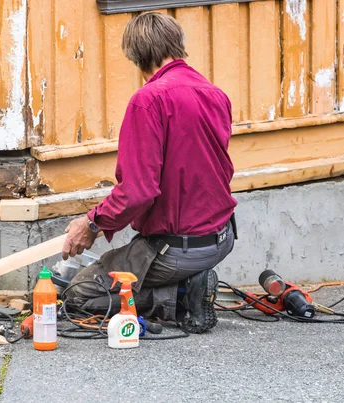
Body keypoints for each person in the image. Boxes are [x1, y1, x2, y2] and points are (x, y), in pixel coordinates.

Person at [61, 12, 238, 334]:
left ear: (135, 55)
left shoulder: (148, 100)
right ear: (178, 44)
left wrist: (91, 224)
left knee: (77, 294)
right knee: (116, 263)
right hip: (221, 239)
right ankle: (190, 282)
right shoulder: (215, 94)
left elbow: (138, 191)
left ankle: (180, 295)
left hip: (175, 250)